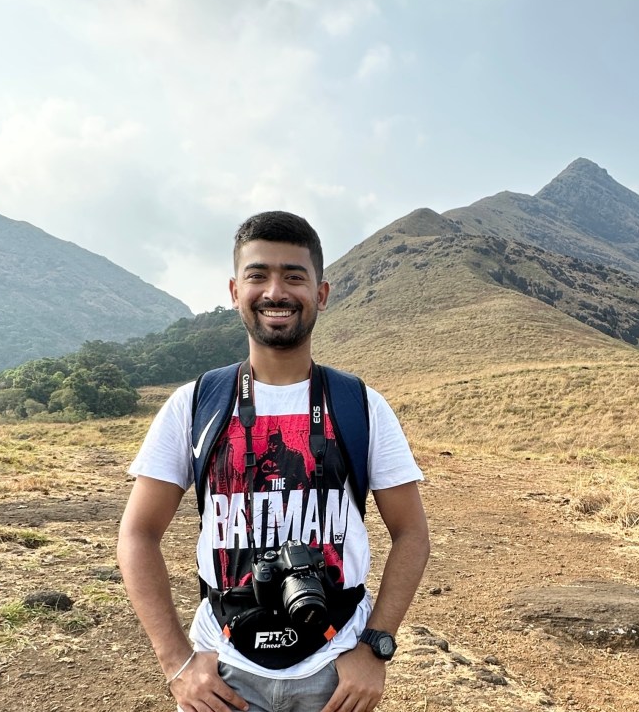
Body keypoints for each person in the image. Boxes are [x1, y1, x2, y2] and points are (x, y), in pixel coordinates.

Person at [117, 211, 430, 712]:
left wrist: (375, 648)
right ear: (234, 290)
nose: (275, 292)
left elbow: (411, 533)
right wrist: (176, 662)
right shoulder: (194, 403)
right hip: (222, 671)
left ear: (321, 294)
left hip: (335, 671)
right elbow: (137, 533)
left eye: (294, 276)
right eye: (258, 275)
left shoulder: (361, 405)